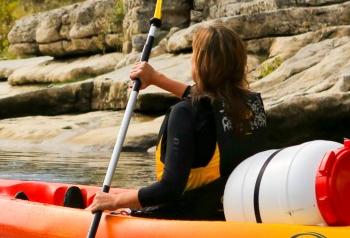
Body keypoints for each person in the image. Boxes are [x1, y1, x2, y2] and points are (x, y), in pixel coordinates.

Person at [89, 23, 269, 220]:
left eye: (194, 56)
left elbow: (170, 189)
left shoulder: (184, 113)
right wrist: (156, 78)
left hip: (189, 214)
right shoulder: (250, 104)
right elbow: (205, 99)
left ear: (200, 64)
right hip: (237, 210)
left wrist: (114, 201)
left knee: (90, 205)